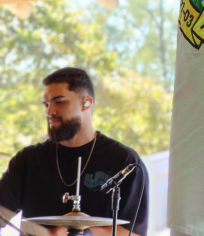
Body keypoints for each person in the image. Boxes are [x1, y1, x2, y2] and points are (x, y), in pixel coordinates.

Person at [0, 68, 149, 236]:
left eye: (59, 102)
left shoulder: (124, 161)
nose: (49, 112)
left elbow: (134, 233)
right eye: (46, 104)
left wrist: (76, 231)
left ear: (86, 103)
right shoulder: (27, 160)